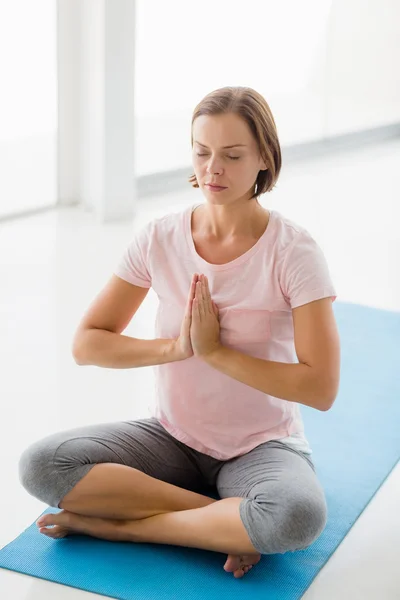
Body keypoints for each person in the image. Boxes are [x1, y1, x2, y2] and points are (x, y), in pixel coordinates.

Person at [18, 86, 340, 579]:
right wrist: (176, 348)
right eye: (202, 151)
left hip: (260, 446)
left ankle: (123, 527)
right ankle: (219, 520)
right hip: (171, 437)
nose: (213, 169)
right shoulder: (160, 237)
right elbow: (88, 343)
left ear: (264, 159)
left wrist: (216, 353)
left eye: (232, 155)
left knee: (295, 517)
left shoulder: (294, 252)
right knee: (41, 465)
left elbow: (321, 388)